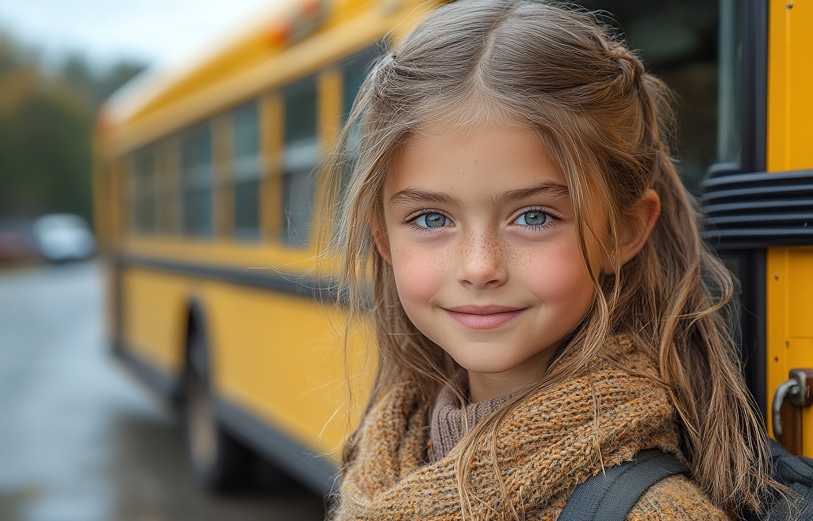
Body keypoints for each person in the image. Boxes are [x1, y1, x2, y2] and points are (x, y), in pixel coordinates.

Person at [322, 1, 785, 519]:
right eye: (431, 219)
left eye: (534, 217)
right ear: (383, 238)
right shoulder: (385, 455)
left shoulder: (653, 510)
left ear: (624, 231)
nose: (479, 267)